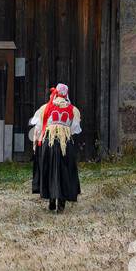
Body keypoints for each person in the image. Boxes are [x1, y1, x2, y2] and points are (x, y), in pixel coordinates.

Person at [29, 82, 81, 213]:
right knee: (64, 171)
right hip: (65, 143)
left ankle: (52, 199)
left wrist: (35, 144)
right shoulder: (73, 110)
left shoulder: (45, 108)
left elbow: (38, 127)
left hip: (49, 142)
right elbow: (75, 129)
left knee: (49, 169)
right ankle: (61, 203)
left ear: (55, 93)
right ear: (66, 94)